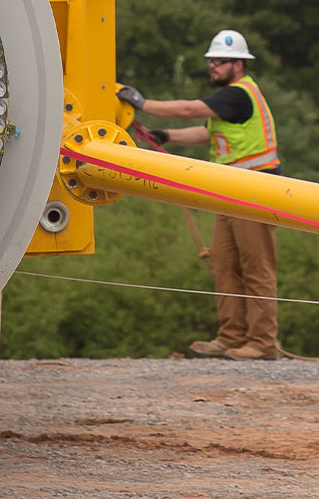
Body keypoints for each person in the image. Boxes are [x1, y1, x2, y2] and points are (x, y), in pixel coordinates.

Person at [119, 29, 282, 361]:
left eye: (219, 62)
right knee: (224, 263)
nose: (213, 68)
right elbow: (205, 132)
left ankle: (262, 343)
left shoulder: (238, 95)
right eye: (211, 62)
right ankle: (231, 336)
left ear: (238, 65)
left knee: (256, 267)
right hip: (230, 190)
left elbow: (188, 110)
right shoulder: (228, 104)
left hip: (255, 189)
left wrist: (141, 103)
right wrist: (166, 136)